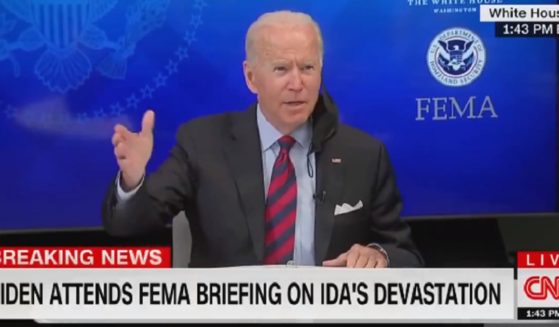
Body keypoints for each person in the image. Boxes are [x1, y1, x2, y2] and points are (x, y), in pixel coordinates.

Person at [102, 10, 423, 268]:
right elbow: (130, 226)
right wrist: (133, 182)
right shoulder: (203, 143)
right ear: (251, 77)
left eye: (308, 67)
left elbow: (406, 254)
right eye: (282, 69)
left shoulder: (363, 154)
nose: (297, 83)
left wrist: (379, 256)